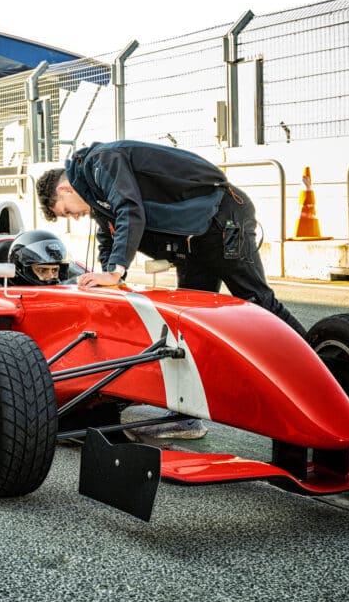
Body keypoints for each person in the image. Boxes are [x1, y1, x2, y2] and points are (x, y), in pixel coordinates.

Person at [37, 140, 307, 441]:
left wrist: (115, 271)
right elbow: (108, 232)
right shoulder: (95, 191)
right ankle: (187, 419)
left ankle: (321, 368)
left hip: (223, 217)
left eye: (66, 213)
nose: (75, 217)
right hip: (195, 236)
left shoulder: (101, 161)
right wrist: (110, 281)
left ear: (64, 190)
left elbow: (129, 208)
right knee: (187, 323)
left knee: (258, 301)